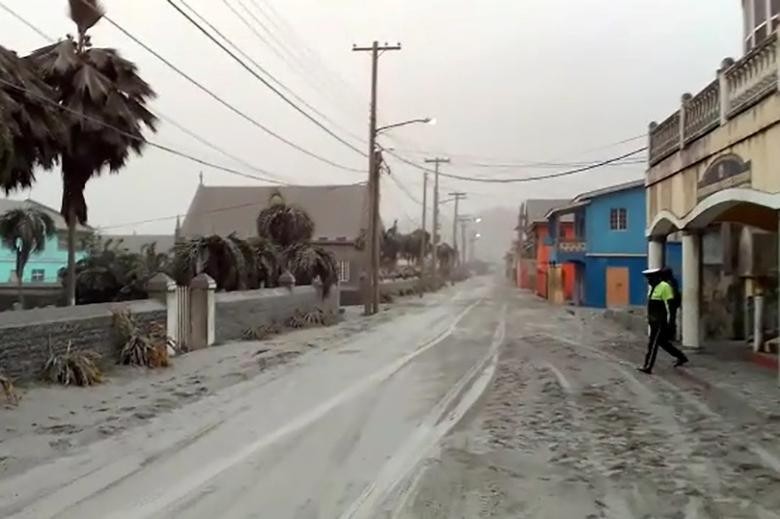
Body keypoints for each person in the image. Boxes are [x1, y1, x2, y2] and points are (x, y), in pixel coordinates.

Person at [638, 267, 688, 374]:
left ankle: (648, 366)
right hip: (653, 321)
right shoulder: (653, 288)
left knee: (653, 344)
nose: (648, 281)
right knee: (663, 343)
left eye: (650, 278)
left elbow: (669, 306)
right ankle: (681, 357)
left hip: (660, 322)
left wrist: (670, 322)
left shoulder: (664, 287)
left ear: (656, 277)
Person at [661, 267, 681, 341]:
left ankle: (669, 335)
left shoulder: (667, 282)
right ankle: (670, 335)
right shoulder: (672, 281)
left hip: (670, 302)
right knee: (671, 319)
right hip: (672, 303)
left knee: (670, 319)